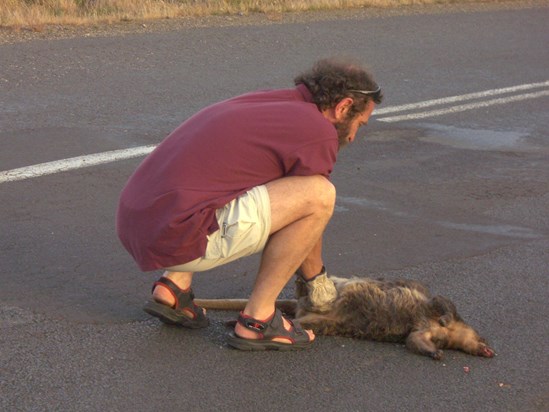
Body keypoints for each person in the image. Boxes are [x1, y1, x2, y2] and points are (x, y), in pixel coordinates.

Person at [116, 57, 383, 351]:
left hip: (138, 222)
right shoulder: (317, 130)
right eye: (359, 123)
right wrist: (317, 283)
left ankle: (173, 287)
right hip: (172, 237)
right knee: (320, 195)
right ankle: (258, 320)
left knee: (238, 173)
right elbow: (308, 211)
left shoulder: (271, 103)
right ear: (343, 106)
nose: (355, 135)